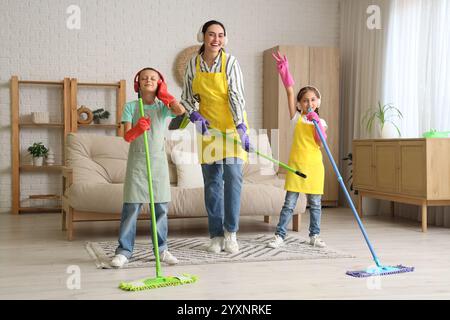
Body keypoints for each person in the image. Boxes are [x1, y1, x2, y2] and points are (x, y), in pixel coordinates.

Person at [180, 20, 250, 254]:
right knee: (212, 183)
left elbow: (236, 95)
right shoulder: (193, 63)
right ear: (202, 36)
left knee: (233, 177)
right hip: (208, 129)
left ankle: (231, 233)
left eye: (220, 35)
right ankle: (215, 235)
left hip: (231, 126)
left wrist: (240, 125)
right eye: (211, 34)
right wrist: (194, 114)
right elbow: (187, 98)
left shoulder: (231, 62)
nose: (216, 39)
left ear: (225, 39)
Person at [111, 67, 185, 268]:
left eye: (153, 78)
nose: (148, 80)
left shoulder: (163, 107)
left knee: (160, 208)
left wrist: (166, 95)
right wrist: (137, 129)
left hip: (158, 164)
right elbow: (126, 136)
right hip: (137, 164)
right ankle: (124, 251)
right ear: (138, 83)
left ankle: (161, 250)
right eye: (144, 78)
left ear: (159, 82)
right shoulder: (131, 106)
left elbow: (180, 112)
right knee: (131, 208)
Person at [267, 52, 328, 249]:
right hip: (296, 167)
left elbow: (320, 143)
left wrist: (317, 123)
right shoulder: (296, 119)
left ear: (318, 102)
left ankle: (314, 236)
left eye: (312, 100)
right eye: (304, 101)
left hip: (314, 168)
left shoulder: (322, 122)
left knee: (316, 204)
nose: (308, 103)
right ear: (299, 105)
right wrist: (285, 73)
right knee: (289, 204)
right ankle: (280, 236)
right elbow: (290, 92)